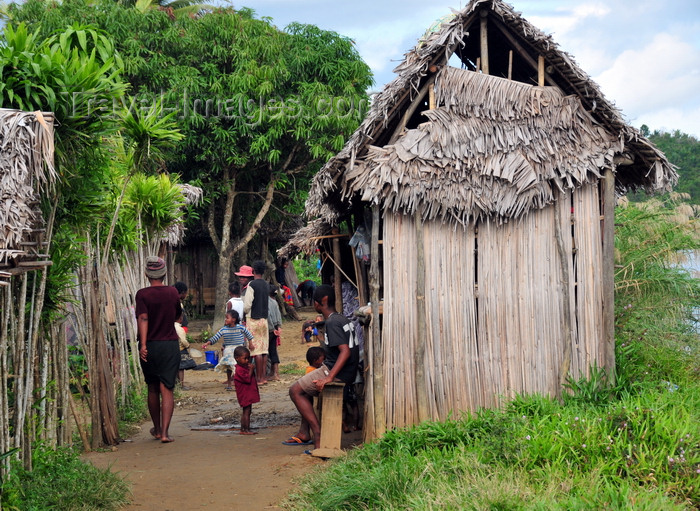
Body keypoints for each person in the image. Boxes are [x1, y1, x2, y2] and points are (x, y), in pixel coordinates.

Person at [285, 284, 359, 449]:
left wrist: (329, 377)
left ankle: (317, 434)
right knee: (306, 387)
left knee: (295, 391)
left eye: (315, 301)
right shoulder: (341, 318)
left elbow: (345, 352)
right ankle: (304, 432)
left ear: (322, 302)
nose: (314, 304)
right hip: (347, 371)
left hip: (336, 371)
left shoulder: (332, 322)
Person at [135, 256, 182, 443]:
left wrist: (144, 345)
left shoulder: (142, 294)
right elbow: (178, 317)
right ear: (164, 273)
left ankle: (156, 429)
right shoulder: (173, 293)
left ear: (146, 274)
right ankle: (165, 433)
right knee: (167, 388)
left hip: (151, 345)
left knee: (152, 388)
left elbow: (143, 318)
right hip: (170, 345)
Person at [201, 309, 253, 390]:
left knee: (238, 367)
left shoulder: (240, 328)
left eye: (227, 318)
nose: (225, 319)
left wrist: (251, 344)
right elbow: (216, 337)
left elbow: (249, 335)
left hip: (239, 349)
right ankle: (229, 383)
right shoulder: (223, 329)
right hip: (228, 350)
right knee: (229, 367)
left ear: (233, 319)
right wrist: (208, 343)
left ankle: (239, 382)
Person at [243, 260, 269, 385]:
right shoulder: (266, 284)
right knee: (264, 350)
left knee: (256, 351)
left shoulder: (252, 285)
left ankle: (258, 378)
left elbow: (247, 305)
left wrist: (243, 312)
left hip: (253, 319)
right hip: (264, 320)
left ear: (253, 270)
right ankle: (263, 377)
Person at [232, 346, 260, 435]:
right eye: (245, 358)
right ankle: (245, 430)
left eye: (249, 358)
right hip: (244, 394)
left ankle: (244, 428)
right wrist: (251, 369)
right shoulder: (239, 369)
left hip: (247, 393)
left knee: (247, 411)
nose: (247, 360)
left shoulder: (243, 367)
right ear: (237, 358)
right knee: (246, 411)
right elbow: (247, 379)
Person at [267, 284, 282, 382]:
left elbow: (268, 316)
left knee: (269, 351)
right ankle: (275, 372)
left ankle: (274, 373)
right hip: (276, 328)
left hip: (270, 329)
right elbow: (278, 316)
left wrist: (272, 328)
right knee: (273, 350)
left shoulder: (267, 302)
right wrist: (279, 327)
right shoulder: (275, 302)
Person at [175, 315, 193, 390]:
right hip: (180, 349)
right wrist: (187, 345)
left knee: (175, 368)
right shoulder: (180, 329)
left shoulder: (170, 326)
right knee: (181, 368)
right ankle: (181, 385)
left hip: (172, 349)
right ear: (180, 318)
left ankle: (176, 384)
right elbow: (183, 340)